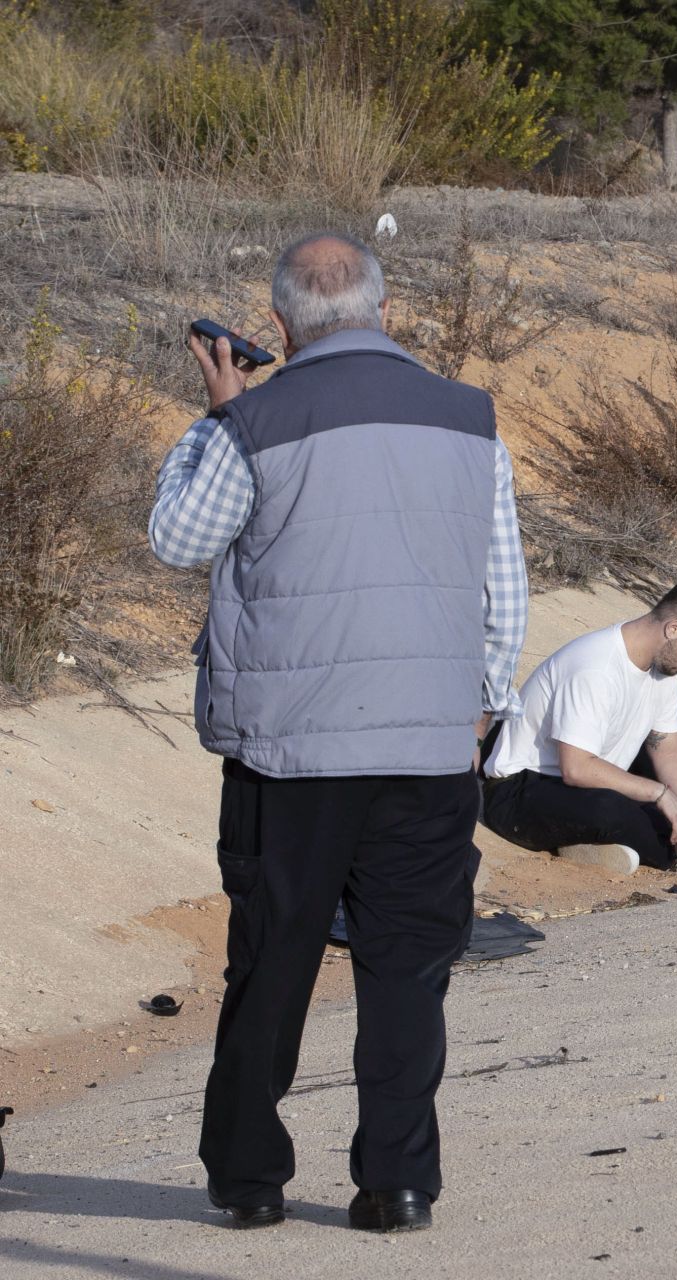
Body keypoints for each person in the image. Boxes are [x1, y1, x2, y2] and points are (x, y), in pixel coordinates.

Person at [149, 233, 528, 1234]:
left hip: (291, 751)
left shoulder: (254, 419)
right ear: (384, 309)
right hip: (431, 742)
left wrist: (216, 417)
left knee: (271, 962)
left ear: (277, 326)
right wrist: (479, 705)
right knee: (408, 968)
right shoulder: (469, 419)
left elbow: (177, 537)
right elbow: (505, 585)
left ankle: (248, 1176)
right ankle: (399, 1182)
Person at [480, 577, 677, 877]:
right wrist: (660, 795)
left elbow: (669, 752)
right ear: (674, 629)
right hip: (519, 792)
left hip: (590, 785)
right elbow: (577, 769)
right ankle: (675, 858)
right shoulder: (596, 666)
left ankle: (602, 842)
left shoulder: (670, 673)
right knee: (610, 809)